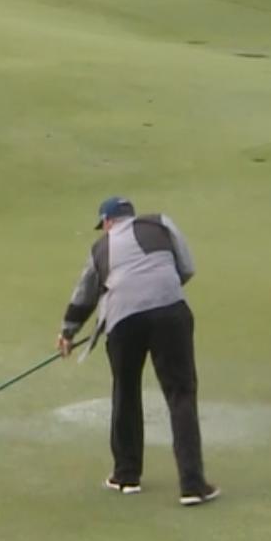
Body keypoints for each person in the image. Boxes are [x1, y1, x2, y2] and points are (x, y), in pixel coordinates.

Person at [58, 197, 219, 507]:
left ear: (107, 222)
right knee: (180, 394)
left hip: (123, 321)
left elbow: (85, 294)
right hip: (170, 311)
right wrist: (158, 290)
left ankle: (126, 475)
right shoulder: (160, 222)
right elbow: (186, 267)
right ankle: (192, 485)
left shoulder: (100, 248)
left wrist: (68, 331)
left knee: (126, 391)